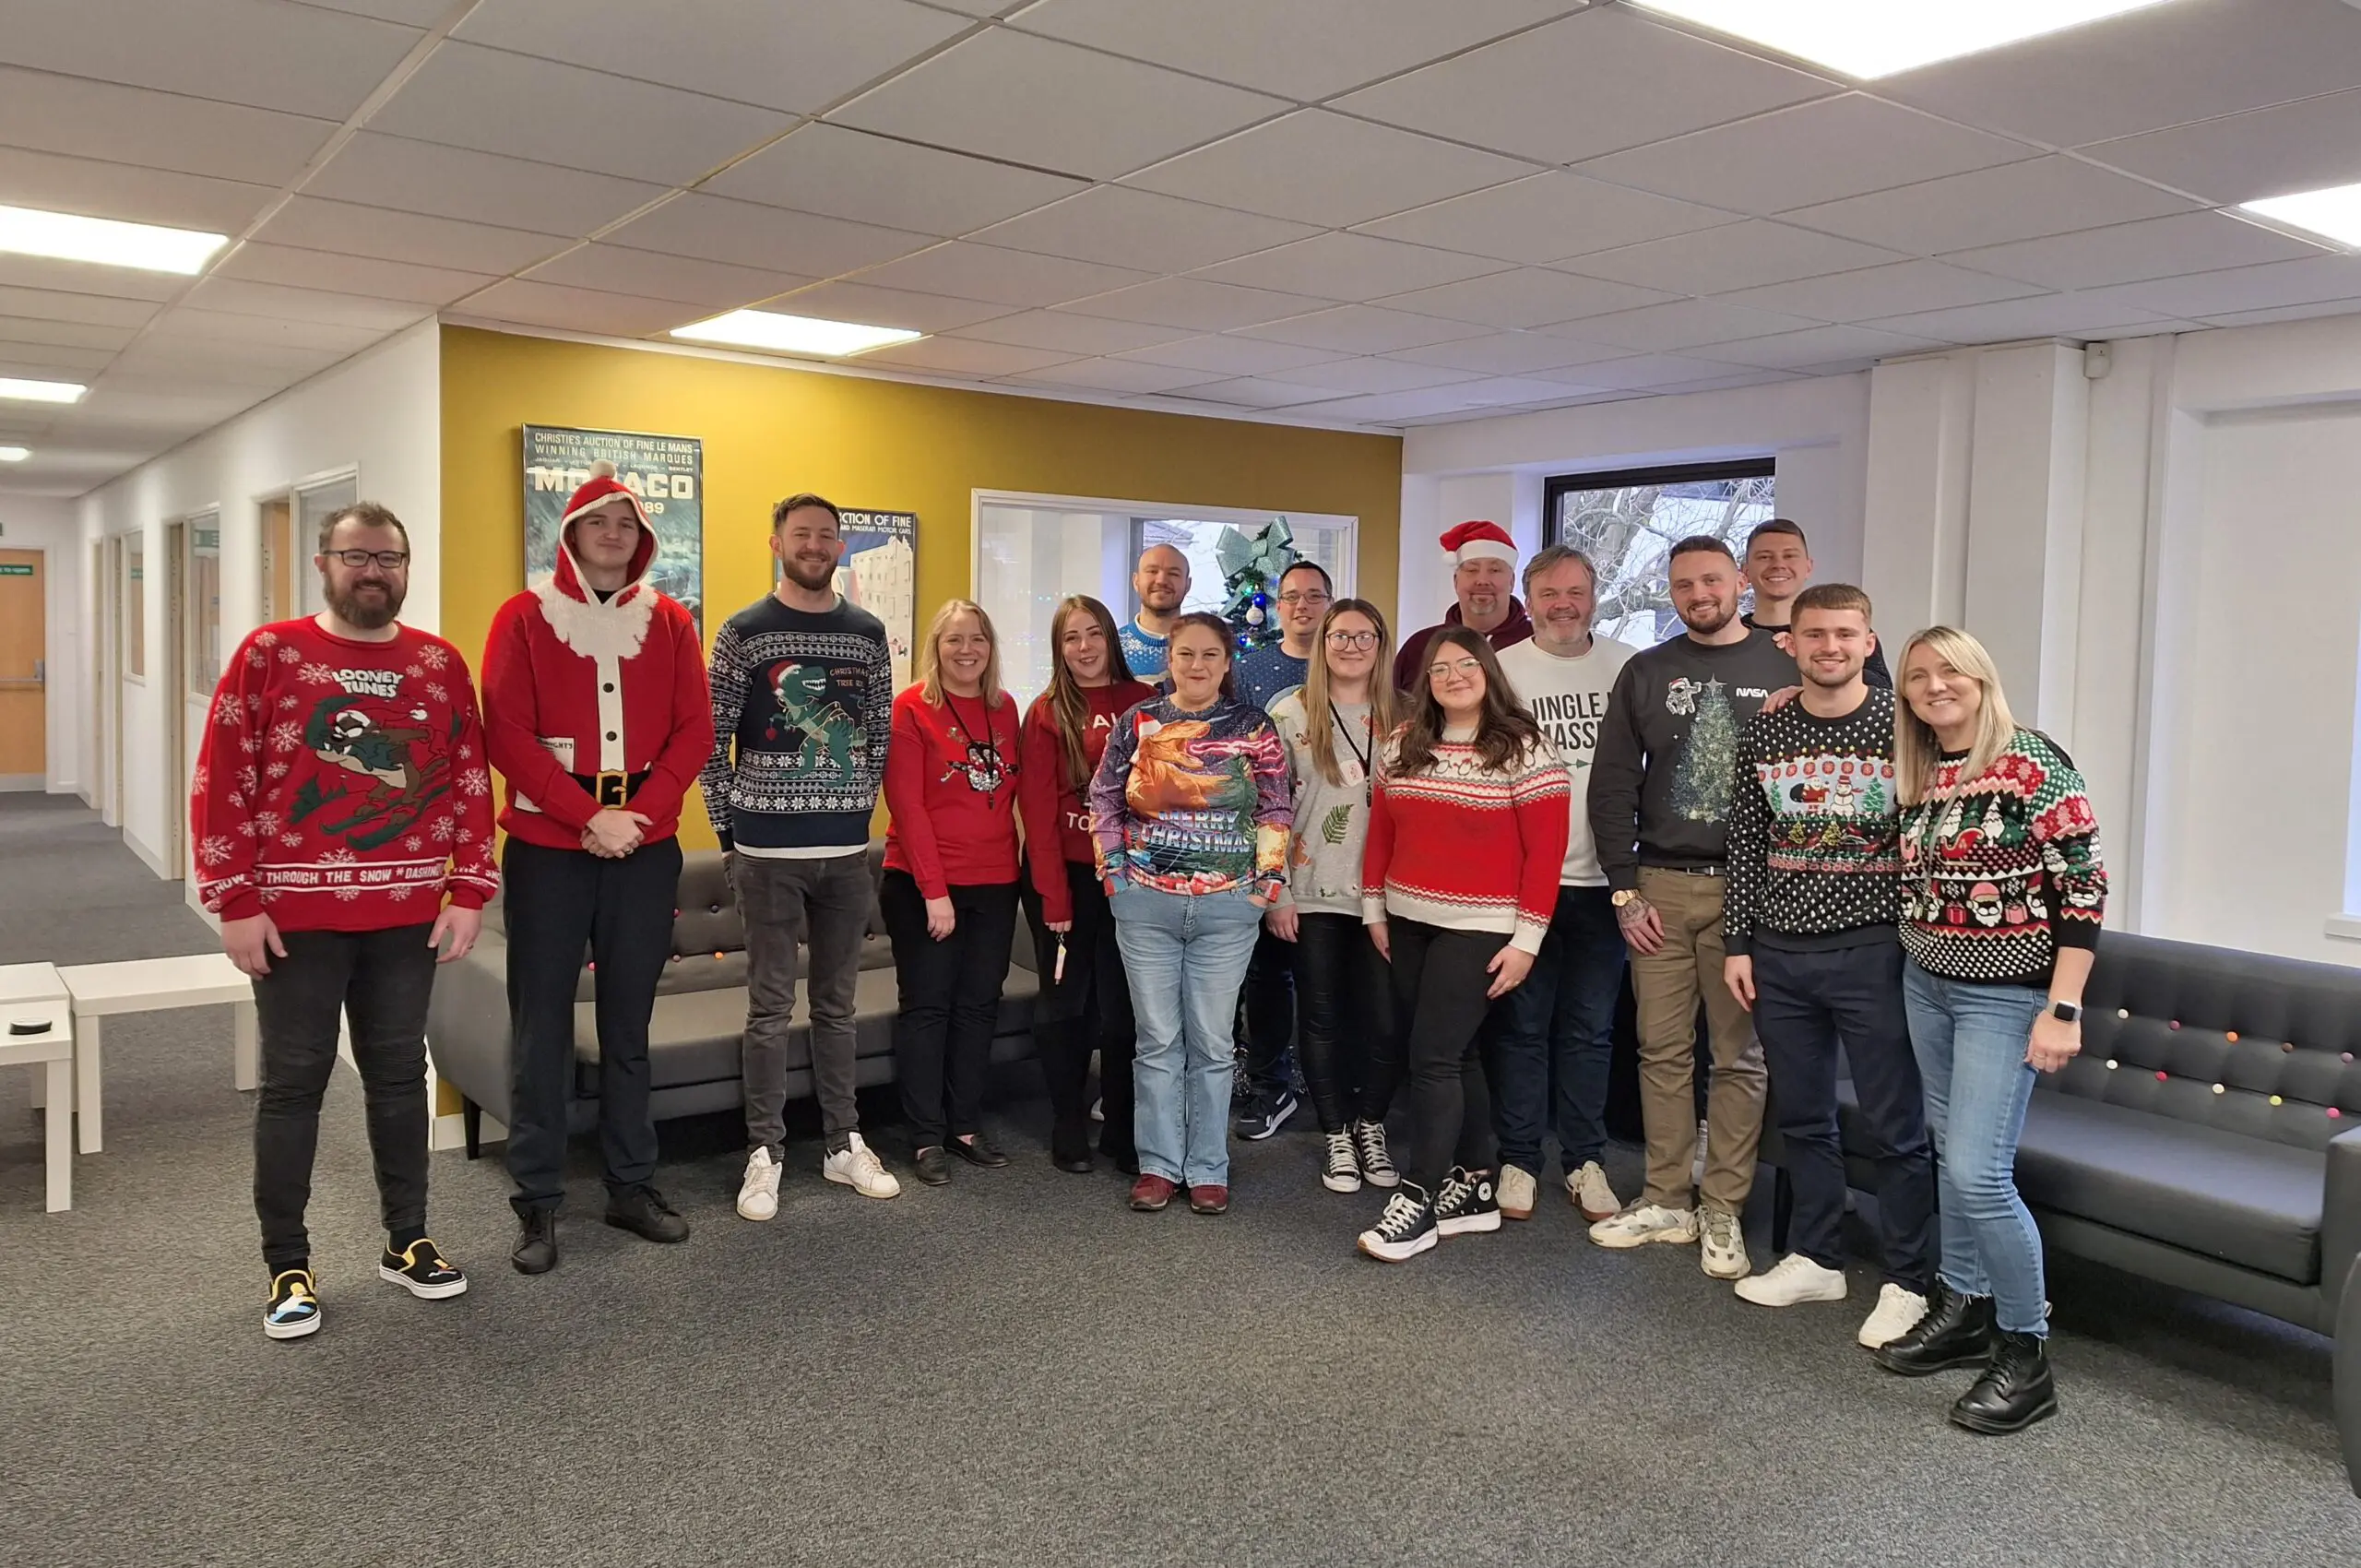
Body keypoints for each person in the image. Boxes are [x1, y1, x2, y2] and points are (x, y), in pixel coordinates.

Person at [192, 501, 496, 1339]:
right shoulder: (272, 654)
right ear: (324, 564)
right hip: (295, 919)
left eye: (390, 558)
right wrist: (234, 900)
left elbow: (469, 778)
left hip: (405, 915)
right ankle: (287, 1263)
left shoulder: (439, 665)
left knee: (399, 1078)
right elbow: (224, 774)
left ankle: (409, 1242)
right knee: (295, 1087)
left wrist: (469, 888)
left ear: (406, 567)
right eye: (357, 556)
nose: (375, 571)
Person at [481, 460, 714, 1275]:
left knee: (628, 1026)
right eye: (597, 522)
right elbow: (504, 732)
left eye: (626, 524)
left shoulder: (672, 622)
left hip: (644, 850)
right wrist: (588, 818)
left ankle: (629, 1184)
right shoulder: (524, 617)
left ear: (641, 539)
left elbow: (695, 731)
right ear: (572, 534)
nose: (613, 536)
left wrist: (637, 818)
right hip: (551, 850)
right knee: (541, 1028)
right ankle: (538, 1202)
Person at [1872, 626, 2105, 1436]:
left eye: (1950, 672)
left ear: (1981, 677)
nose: (1934, 686)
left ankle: (2025, 1351)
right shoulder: (1923, 771)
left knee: (1978, 1173)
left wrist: (2063, 1007)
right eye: (1917, 677)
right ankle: (1964, 1304)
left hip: (2005, 996)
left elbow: (2083, 886)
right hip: (1926, 982)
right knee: (1948, 1152)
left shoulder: (2032, 762)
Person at [1720, 585, 1937, 1348]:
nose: (1830, 647)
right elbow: (1745, 841)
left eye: (1846, 634)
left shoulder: (1905, 726)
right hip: (1779, 954)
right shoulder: (1767, 730)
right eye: (1815, 634)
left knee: (1895, 1125)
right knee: (1804, 1116)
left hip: (1874, 950)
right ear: (1792, 644)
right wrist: (1738, 943)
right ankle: (1817, 1256)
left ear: (1870, 642)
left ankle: (1910, 1280)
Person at [1585, 535, 1795, 1279]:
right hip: (1661, 890)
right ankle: (1668, 1195)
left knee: (1739, 1056)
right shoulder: (1648, 671)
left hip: (1753, 890)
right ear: (1671, 593)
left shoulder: (1788, 663)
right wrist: (1624, 884)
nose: (1699, 594)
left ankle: (1723, 1209)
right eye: (1683, 585)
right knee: (1662, 1050)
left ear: (1738, 581)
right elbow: (1610, 785)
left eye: (1711, 580)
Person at [702, 493, 900, 1221]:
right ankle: (764, 1154)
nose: (815, 546)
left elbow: (877, 733)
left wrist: (856, 812)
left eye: (826, 536)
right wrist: (729, 838)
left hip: (847, 856)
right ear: (776, 543)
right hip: (764, 855)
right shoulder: (744, 632)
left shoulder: (865, 632)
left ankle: (844, 1142)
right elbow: (709, 743)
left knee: (838, 1008)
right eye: (802, 535)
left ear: (840, 547)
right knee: (768, 1008)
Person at [1357, 627, 1568, 1263]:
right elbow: (1381, 833)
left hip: (1481, 925)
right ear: (1426, 682)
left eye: (1464, 665)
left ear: (1487, 672)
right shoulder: (1403, 742)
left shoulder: (1524, 747)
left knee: (1433, 1058)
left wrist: (1528, 940)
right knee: (1461, 1052)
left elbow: (1545, 852)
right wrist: (1374, 908)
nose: (1452, 676)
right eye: (1439, 668)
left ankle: (1418, 1199)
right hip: (1407, 918)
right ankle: (1475, 1184)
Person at [1089, 612, 1290, 1217]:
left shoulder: (1254, 727)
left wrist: (1266, 884)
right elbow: (1104, 796)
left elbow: (1277, 805)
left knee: (1209, 1042)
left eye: (1209, 655)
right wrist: (1115, 876)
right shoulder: (1138, 723)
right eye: (1185, 655)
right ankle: (1157, 1166)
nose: (1197, 665)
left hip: (1228, 908)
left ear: (1227, 663)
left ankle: (1206, 1167)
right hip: (1145, 902)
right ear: (1169, 660)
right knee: (1155, 1042)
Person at [1490, 546, 1637, 1223]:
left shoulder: (1629, 666)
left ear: (1594, 592)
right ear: (1530, 598)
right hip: (1526, 883)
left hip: (1607, 882)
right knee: (1521, 1027)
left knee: (1590, 1030)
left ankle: (1586, 1162)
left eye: (1575, 590)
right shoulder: (1502, 670)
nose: (1563, 604)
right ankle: (1519, 1158)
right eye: (1549, 593)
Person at [883, 600, 1024, 1187]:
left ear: (991, 648)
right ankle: (923, 1136)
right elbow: (908, 805)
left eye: (978, 640)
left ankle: (963, 1126)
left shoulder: (1005, 707)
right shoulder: (912, 707)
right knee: (928, 1007)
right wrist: (934, 891)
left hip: (995, 883)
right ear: (935, 647)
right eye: (954, 640)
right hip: (922, 884)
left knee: (977, 1007)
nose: (967, 651)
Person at [1264, 600, 1400, 1194]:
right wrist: (1276, 894)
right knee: (1319, 1017)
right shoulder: (1289, 713)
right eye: (1337, 635)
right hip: (1311, 890)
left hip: (1390, 899)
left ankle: (1371, 1125)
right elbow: (1267, 809)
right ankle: (1337, 1135)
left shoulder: (1409, 716)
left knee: (1383, 1020)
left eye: (1362, 635)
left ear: (1380, 642)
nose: (1350, 646)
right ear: (1321, 644)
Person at [1017, 596, 1156, 1174]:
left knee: (1125, 1009)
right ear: (1059, 648)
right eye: (1071, 637)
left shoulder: (1146, 704)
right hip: (1065, 878)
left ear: (1111, 639)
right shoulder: (1047, 711)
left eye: (1093, 633)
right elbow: (1039, 811)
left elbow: (1160, 799)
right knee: (1066, 1007)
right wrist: (1053, 897)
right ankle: (1067, 1119)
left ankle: (1122, 1126)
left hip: (1127, 878)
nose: (1084, 647)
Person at [1232, 559, 1332, 1139]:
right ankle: (1271, 1084)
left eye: (1314, 596)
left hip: (1336, 847)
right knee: (1268, 973)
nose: (1302, 606)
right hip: (1264, 846)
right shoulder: (1250, 669)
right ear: (1277, 603)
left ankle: (1335, 1095)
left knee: (1328, 981)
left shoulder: (1351, 664)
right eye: (1291, 596)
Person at [1741, 518, 1891, 689]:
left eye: (1790, 556)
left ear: (1808, 567)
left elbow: (1882, 692)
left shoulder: (1848, 632)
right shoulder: (1734, 635)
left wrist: (1816, 662)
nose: (1778, 565)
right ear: (1745, 571)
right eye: (1765, 557)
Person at [1391, 520, 1534, 692]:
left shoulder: (1538, 642)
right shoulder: (1419, 647)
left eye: (1494, 570)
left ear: (1511, 582)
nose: (1482, 581)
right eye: (1472, 570)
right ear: (1456, 581)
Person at [1116, 542, 1191, 685]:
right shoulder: (1112, 648)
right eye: (1152, 571)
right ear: (1136, 581)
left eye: (1173, 573)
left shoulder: (1205, 648)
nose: (1161, 580)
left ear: (1188, 585)